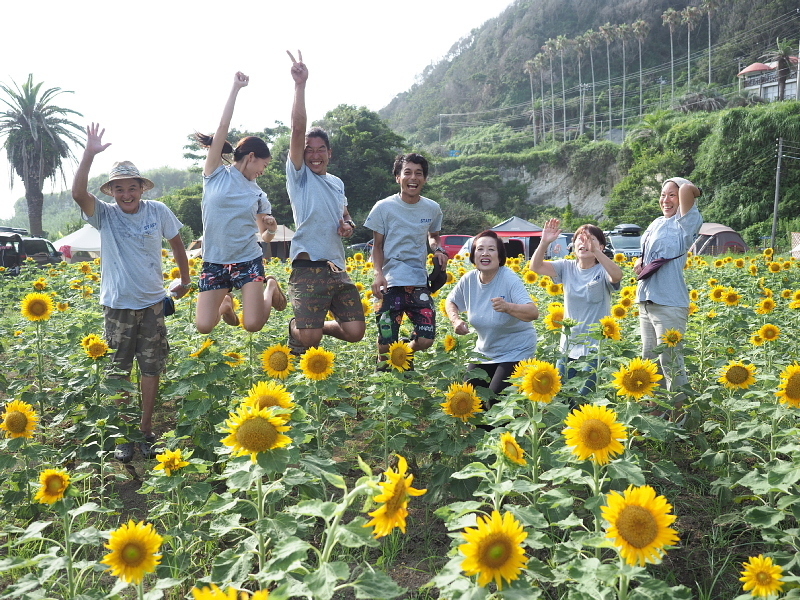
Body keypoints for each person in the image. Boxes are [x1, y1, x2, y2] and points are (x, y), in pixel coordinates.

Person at [71, 123, 190, 463]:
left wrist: (184, 277)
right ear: (111, 193)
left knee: (151, 369)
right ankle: (125, 435)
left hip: (153, 304)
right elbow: (79, 194)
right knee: (119, 373)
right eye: (119, 189)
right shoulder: (105, 217)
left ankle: (147, 429)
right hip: (118, 307)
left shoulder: (158, 211)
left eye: (132, 187)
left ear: (141, 187)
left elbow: (177, 242)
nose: (126, 194)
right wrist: (89, 153)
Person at [285, 50, 366, 354]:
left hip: (336, 267)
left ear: (330, 153)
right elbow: (297, 127)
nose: (315, 154)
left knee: (356, 331)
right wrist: (300, 86)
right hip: (306, 267)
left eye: (321, 149)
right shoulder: (300, 178)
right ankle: (299, 328)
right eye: (309, 149)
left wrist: (347, 225)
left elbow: (344, 218)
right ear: (302, 154)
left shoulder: (336, 183)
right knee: (309, 340)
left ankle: (312, 327)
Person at [195, 71, 286, 334]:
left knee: (253, 325)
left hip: (248, 260)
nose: (264, 171)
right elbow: (222, 127)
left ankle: (270, 286)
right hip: (214, 260)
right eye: (264, 165)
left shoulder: (258, 194)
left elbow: (266, 238)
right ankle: (225, 304)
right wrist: (235, 88)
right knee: (203, 326)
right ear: (252, 157)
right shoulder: (214, 174)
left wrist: (269, 227)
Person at [365, 153, 447, 367]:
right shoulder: (383, 207)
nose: (413, 178)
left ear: (425, 178)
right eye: (407, 172)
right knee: (385, 340)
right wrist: (378, 274)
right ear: (397, 177)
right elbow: (378, 245)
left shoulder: (432, 208)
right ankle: (383, 369)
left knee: (426, 338)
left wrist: (439, 250)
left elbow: (433, 236)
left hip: (418, 281)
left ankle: (404, 352)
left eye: (418, 173)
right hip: (390, 281)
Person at [634, 177, 702, 417]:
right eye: (663, 194)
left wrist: (686, 188)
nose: (666, 199)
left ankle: (681, 416)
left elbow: (687, 189)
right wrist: (641, 262)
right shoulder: (656, 223)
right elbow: (651, 252)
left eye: (672, 195)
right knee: (650, 360)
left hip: (669, 301)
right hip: (647, 299)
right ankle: (656, 412)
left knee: (671, 362)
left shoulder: (687, 222)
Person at [530, 219, 622, 392]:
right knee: (562, 395)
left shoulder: (603, 270)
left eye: (590, 239)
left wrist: (597, 253)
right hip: (567, 347)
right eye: (580, 238)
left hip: (594, 349)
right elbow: (535, 266)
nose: (584, 242)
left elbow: (617, 276)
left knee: (584, 396)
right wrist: (544, 242)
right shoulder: (566, 267)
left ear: (601, 246)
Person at [445, 230, 539, 402]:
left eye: (491, 249)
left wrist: (508, 307)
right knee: (468, 400)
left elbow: (533, 312)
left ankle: (504, 429)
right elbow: (451, 301)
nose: (485, 253)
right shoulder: (469, 279)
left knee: (495, 401)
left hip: (516, 351)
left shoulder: (508, 279)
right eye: (480, 249)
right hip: (484, 351)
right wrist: (456, 320)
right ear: (473, 255)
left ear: (500, 256)